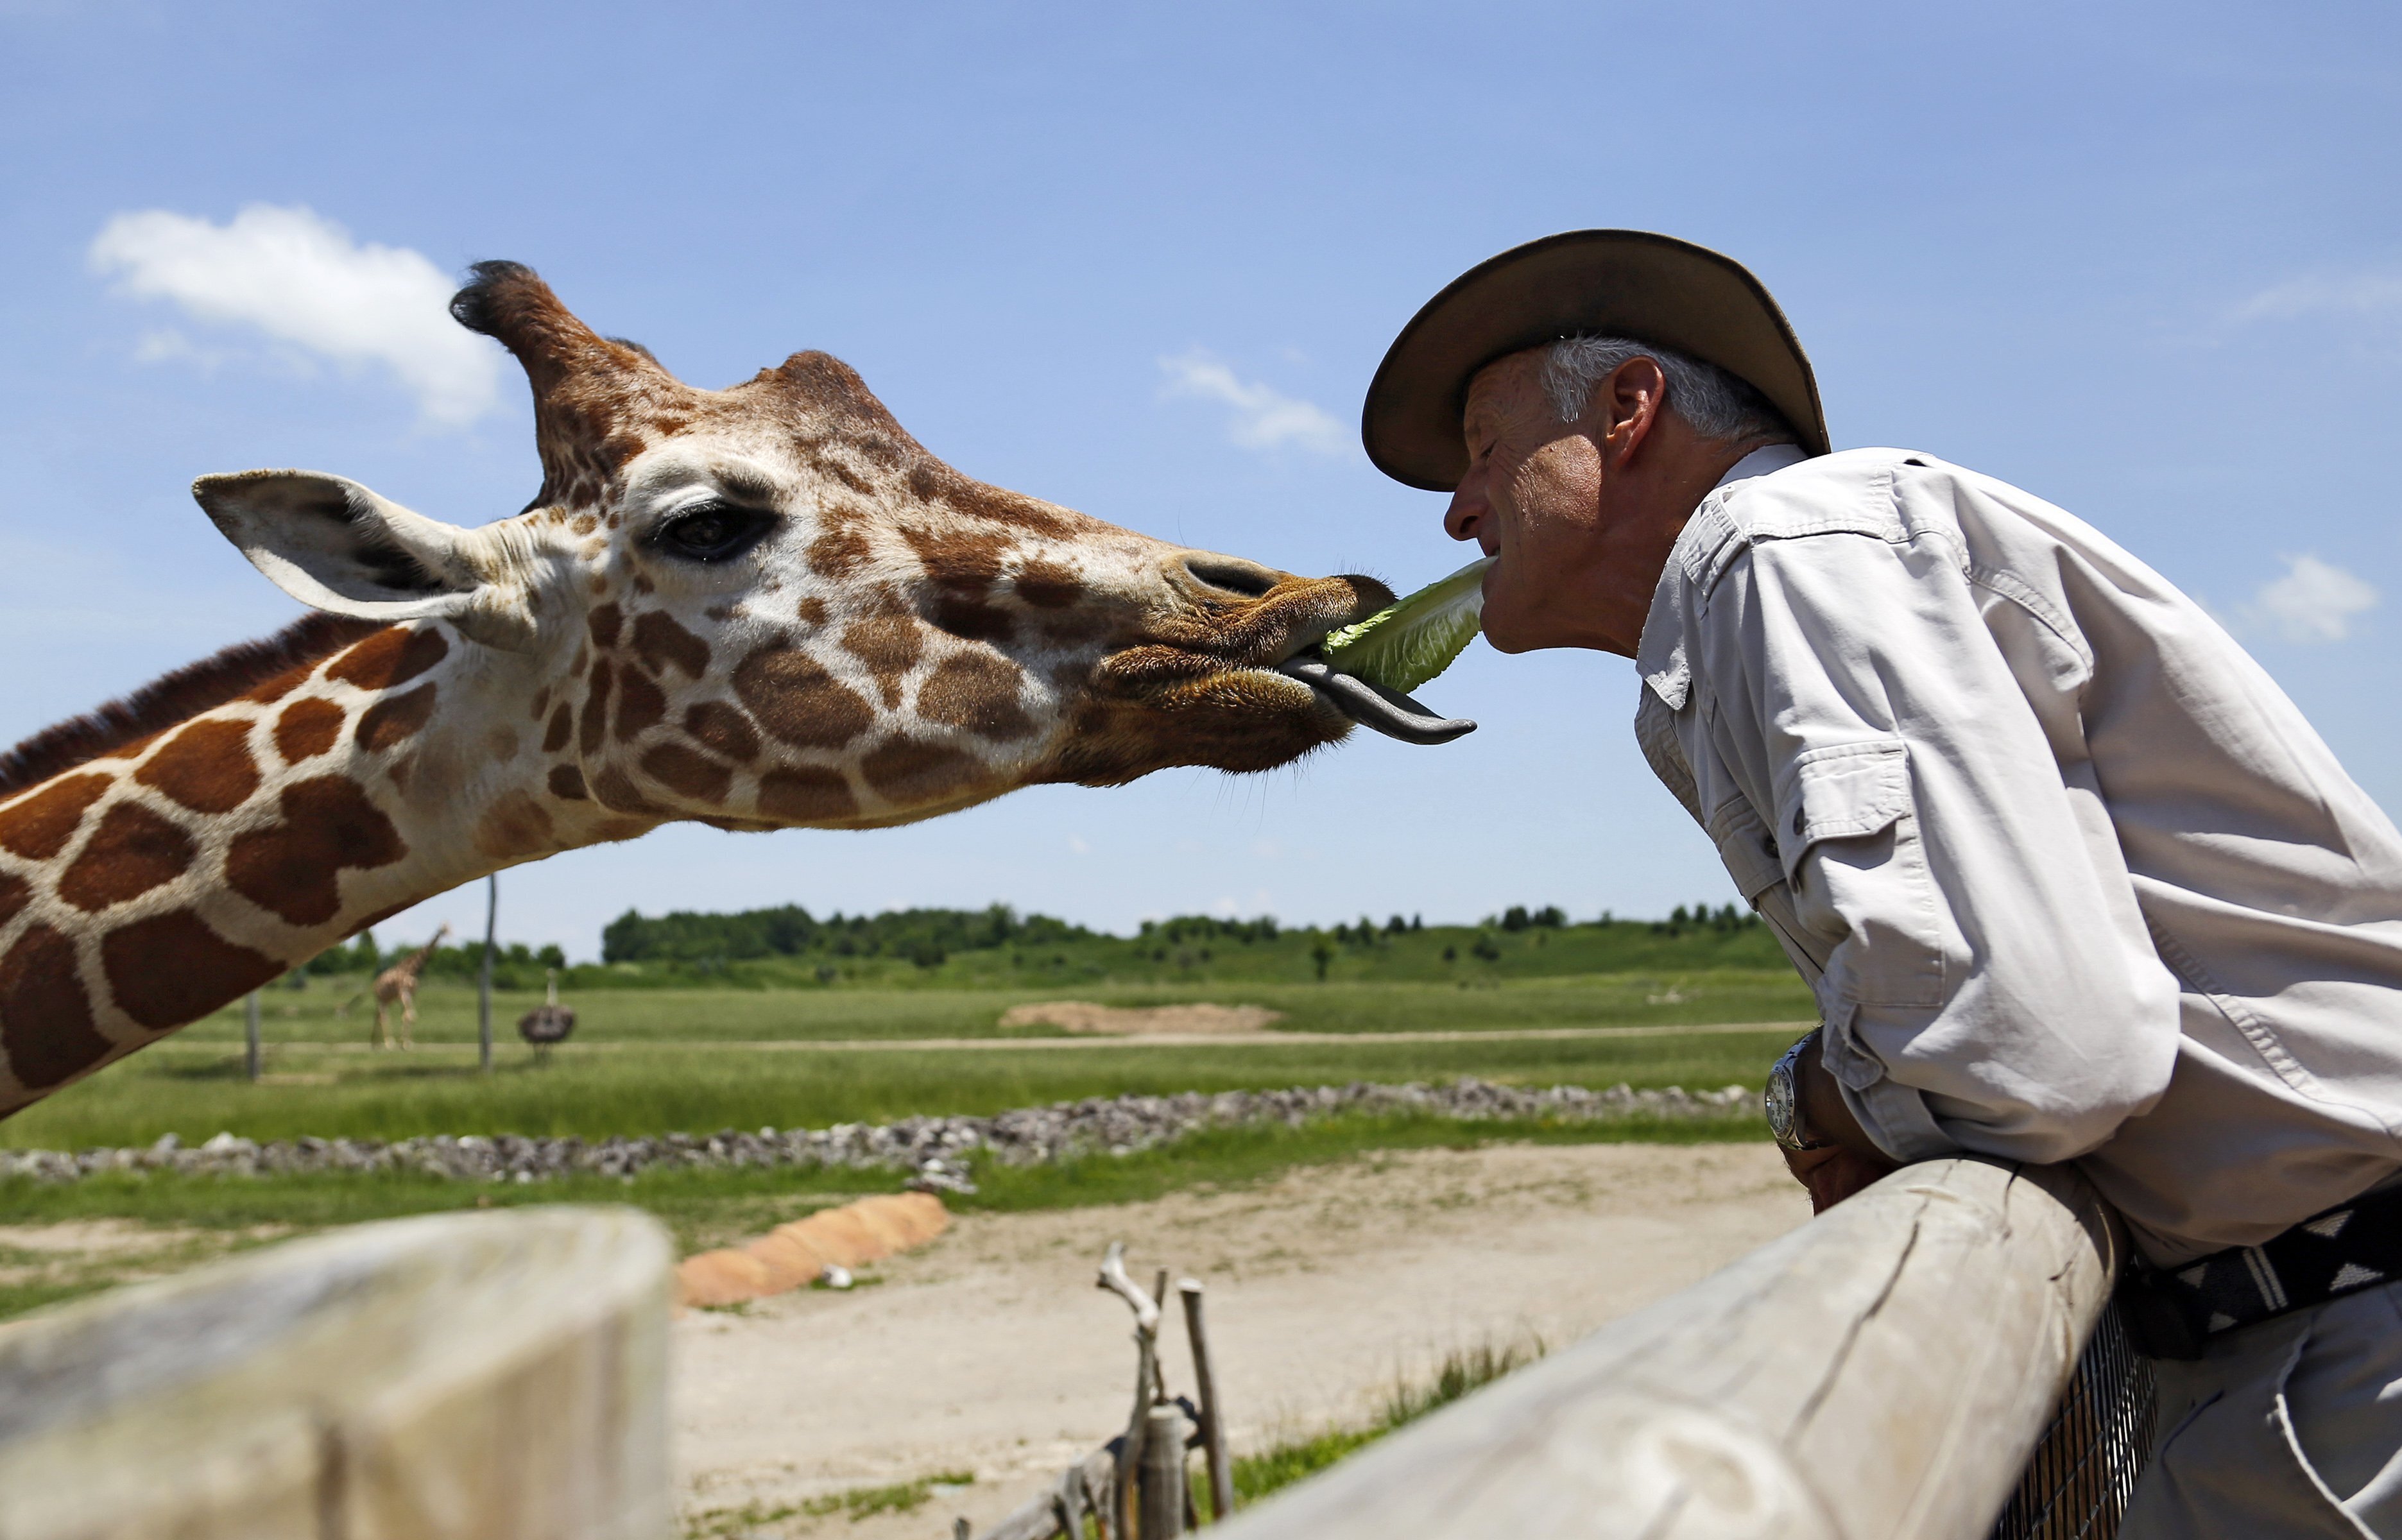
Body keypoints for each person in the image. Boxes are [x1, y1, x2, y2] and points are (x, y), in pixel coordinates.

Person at [1359, 230, 2402, 1538]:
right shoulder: (1762, 593)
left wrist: (1818, 1094)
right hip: (2296, 1339)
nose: (1459, 510)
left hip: (2351, 1349)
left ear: (1628, 412)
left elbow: (2034, 1055)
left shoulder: (1781, 550)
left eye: (1485, 444)